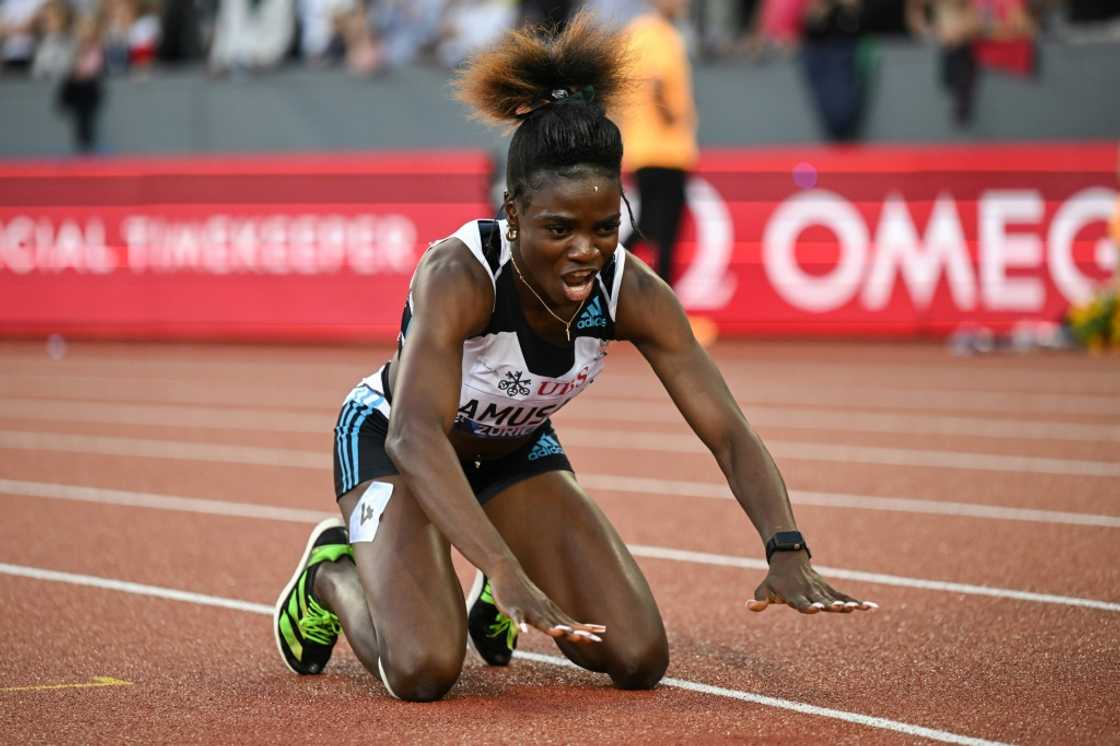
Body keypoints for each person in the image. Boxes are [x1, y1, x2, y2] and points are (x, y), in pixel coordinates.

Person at [272, 12, 875, 703]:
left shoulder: (631, 292)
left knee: (638, 656)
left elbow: (729, 431)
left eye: (605, 227)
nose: (585, 251)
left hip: (513, 453)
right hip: (395, 443)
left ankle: (488, 578)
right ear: (514, 213)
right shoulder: (459, 276)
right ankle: (332, 576)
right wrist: (502, 564)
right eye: (559, 228)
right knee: (424, 669)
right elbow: (415, 434)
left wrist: (786, 546)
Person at [617, 0, 697, 290]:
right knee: (665, 234)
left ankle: (606, 274)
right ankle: (666, 316)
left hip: (643, 150)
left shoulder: (635, 34)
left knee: (649, 227)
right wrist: (673, 115)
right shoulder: (660, 35)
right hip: (665, 150)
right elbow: (657, 82)